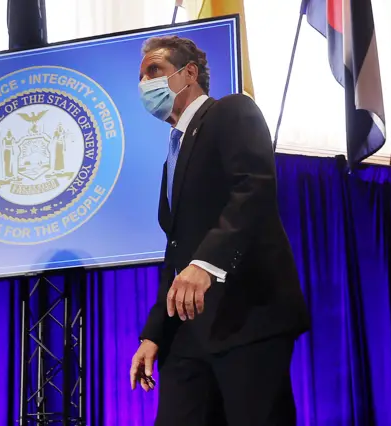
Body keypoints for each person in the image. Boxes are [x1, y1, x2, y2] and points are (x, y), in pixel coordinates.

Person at [130, 35, 310, 426]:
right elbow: (176, 251)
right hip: (188, 334)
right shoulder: (172, 157)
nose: (145, 84)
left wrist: (207, 263)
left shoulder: (231, 111)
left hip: (246, 318)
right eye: (141, 77)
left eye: (154, 71)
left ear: (188, 73)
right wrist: (154, 333)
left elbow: (253, 187)